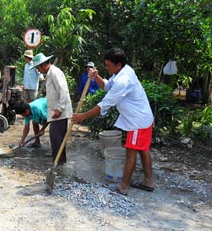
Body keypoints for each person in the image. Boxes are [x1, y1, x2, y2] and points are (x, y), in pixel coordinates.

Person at [72, 48, 155, 196]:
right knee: (143, 149)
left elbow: (105, 104)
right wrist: (97, 77)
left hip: (138, 121)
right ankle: (148, 182)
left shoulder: (123, 80)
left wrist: (83, 116)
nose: (106, 67)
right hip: (142, 118)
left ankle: (123, 186)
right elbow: (107, 86)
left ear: (118, 65)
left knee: (131, 152)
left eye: (109, 65)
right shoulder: (123, 71)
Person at [30, 53, 72, 164]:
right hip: (55, 112)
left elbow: (64, 91)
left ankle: (58, 162)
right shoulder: (50, 74)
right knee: (56, 138)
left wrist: (59, 109)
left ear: (44, 65)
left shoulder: (55, 73)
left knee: (57, 138)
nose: (38, 71)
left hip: (60, 113)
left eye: (38, 68)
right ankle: (58, 159)